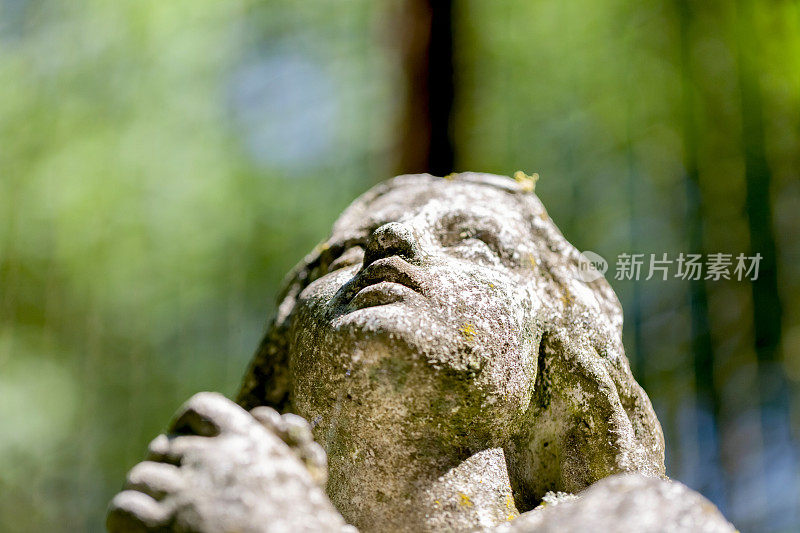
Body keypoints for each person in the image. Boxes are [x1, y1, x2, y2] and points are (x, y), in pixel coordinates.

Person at [107, 173, 671, 532]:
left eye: (474, 243)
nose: (395, 238)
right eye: (346, 253)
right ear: (278, 366)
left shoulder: (639, 521)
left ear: (563, 359)